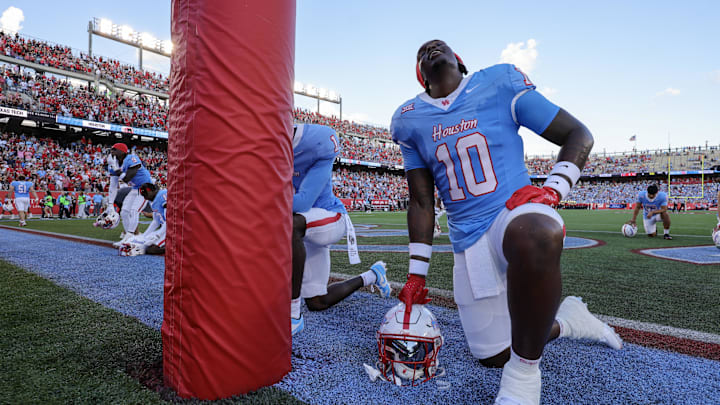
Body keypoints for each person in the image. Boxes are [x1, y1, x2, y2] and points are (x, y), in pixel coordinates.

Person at [390, 40, 622, 404]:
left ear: (459, 61)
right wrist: (416, 276)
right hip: (468, 237)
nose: (430, 47)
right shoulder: (408, 119)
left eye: (439, 46)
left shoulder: (499, 81)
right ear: (422, 77)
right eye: (421, 53)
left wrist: (552, 191)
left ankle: (524, 379)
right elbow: (421, 201)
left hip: (514, 211)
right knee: (493, 355)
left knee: (540, 232)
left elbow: (579, 135)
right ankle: (570, 321)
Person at [290, 123, 391, 336]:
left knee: (292, 225)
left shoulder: (316, 139)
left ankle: (293, 314)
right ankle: (372, 275)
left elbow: (304, 202)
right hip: (306, 226)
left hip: (329, 215)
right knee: (317, 301)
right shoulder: (266, 146)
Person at [109, 143, 153, 247]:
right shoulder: (114, 164)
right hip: (135, 188)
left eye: (114, 149)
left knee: (134, 210)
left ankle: (130, 237)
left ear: (122, 151)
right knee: (124, 211)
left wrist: (117, 170)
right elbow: (113, 185)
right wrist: (110, 204)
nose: (112, 152)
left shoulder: (131, 158)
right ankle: (128, 236)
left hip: (145, 187)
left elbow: (127, 178)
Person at [119, 183, 167, 256]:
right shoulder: (152, 201)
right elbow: (156, 221)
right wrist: (144, 236)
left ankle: (176, 247)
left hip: (173, 228)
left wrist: (158, 235)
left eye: (145, 194)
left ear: (151, 191)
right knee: (144, 242)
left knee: (151, 248)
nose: (144, 198)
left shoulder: (163, 195)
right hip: (165, 229)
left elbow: (170, 220)